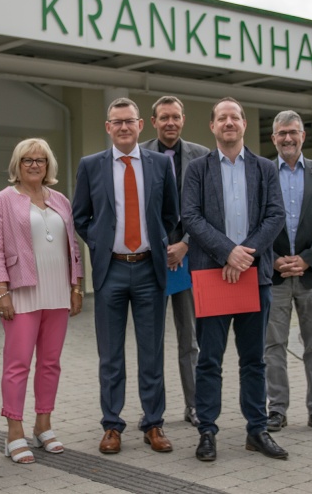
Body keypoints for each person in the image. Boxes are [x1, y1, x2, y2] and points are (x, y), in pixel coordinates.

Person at [181, 97, 287, 462]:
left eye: (235, 117)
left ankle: (257, 430)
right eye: (222, 117)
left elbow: (275, 215)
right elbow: (191, 217)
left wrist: (244, 256)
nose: (229, 122)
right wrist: (227, 252)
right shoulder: (197, 169)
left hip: (253, 277)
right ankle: (207, 431)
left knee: (254, 359)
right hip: (212, 275)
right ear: (212, 126)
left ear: (244, 124)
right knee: (209, 359)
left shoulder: (265, 168)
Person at [72, 97, 179, 454]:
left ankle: (153, 423)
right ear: (108, 127)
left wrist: (156, 242)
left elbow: (170, 214)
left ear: (140, 125)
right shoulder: (91, 165)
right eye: (116, 122)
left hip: (150, 268)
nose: (123, 127)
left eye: (129, 121)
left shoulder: (160, 164)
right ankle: (112, 425)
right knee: (110, 355)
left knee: (152, 352)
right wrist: (101, 244)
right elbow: (80, 216)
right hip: (111, 270)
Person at [0, 138, 84, 464]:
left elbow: (73, 247)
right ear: (17, 164)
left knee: (50, 362)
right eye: (27, 160)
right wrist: (1, 291)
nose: (34, 165)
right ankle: (14, 431)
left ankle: (44, 425)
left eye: (40, 160)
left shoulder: (60, 200)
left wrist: (76, 287)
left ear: (48, 165)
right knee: (17, 364)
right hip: (22, 292)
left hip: (57, 292)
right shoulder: (2, 201)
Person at [264, 110, 312, 434]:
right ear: (274, 138)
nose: (287, 138)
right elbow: (253, 222)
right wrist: (272, 258)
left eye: (292, 132)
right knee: (273, 346)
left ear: (302, 136)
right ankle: (276, 410)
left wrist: (308, 259)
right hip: (276, 274)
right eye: (282, 133)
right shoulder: (262, 173)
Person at [140, 95, 208, 427]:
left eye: (176, 117)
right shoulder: (138, 154)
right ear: (153, 121)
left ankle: (194, 405)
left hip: (188, 260)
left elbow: (209, 208)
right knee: (150, 341)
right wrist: (159, 247)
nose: (170, 123)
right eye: (164, 117)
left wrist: (185, 244)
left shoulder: (202, 156)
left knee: (189, 338)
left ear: (183, 120)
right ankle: (152, 410)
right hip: (149, 260)